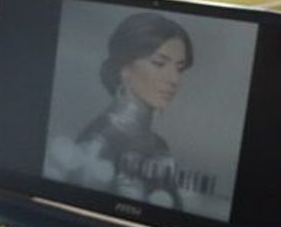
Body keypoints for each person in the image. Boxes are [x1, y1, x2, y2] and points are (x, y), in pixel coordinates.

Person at [45, 12, 199, 208]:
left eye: (179, 68)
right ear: (124, 68)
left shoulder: (160, 146)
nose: (174, 79)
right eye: (159, 63)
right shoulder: (99, 143)